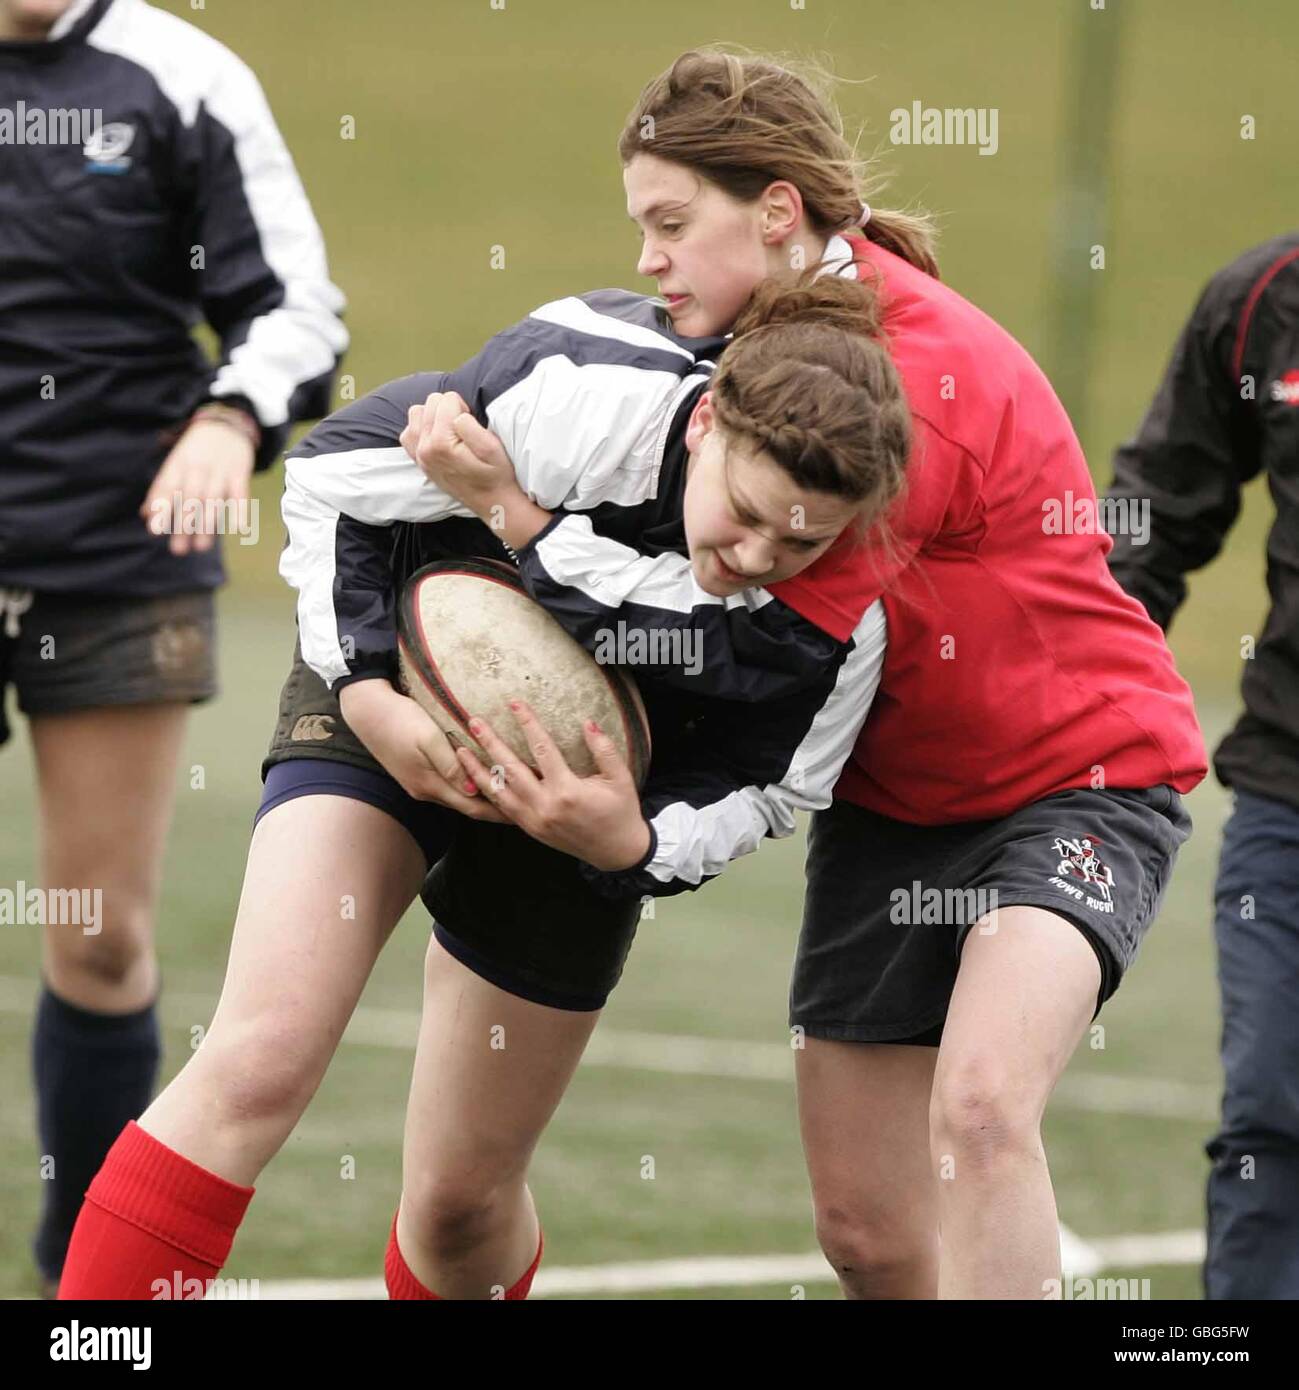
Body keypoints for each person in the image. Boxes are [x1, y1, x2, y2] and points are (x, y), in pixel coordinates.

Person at [57, 268, 909, 1300]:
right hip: (397, 679)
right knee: (260, 1057)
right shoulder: (583, 391)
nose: (760, 557)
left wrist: (628, 843)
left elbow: (775, 789)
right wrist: (369, 689)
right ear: (705, 429)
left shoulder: (842, 612)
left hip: (592, 817)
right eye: (748, 514)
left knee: (461, 1207)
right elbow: (333, 472)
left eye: (803, 540)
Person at [0, 0, 347, 1294]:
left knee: (94, 932)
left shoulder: (183, 79)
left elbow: (297, 305)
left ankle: (75, 1284)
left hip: (116, 557)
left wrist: (227, 415)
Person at [1102, 231, 1299, 1300]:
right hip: (1288, 789)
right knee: (1271, 1113)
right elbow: (1153, 515)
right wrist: (1083, 679)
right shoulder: (1266, 298)